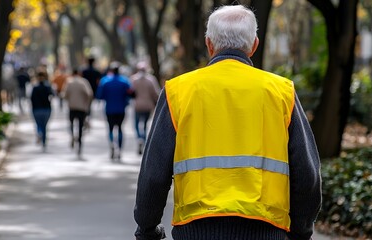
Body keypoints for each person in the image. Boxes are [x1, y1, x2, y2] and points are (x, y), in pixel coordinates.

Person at [134, 5, 321, 240]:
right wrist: (301, 231)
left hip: (196, 229)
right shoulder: (282, 93)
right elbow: (307, 175)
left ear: (209, 44)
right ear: (254, 45)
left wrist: (147, 228)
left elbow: (154, 173)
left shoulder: (178, 92)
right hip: (266, 228)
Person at [96, 61, 133, 161]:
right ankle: (120, 149)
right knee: (120, 128)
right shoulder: (125, 81)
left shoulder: (105, 81)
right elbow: (130, 93)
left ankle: (112, 142)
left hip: (109, 109)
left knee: (111, 128)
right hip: (121, 109)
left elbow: (100, 95)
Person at [130, 62, 160, 155]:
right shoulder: (151, 80)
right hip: (148, 105)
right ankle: (144, 139)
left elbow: (130, 91)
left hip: (137, 105)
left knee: (136, 124)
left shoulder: (133, 79)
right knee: (145, 124)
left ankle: (140, 138)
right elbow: (156, 93)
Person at [62, 69, 93, 156]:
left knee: (71, 123)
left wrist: (69, 99)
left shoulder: (69, 82)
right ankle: (79, 143)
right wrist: (86, 103)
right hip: (81, 108)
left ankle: (72, 135)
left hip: (72, 107)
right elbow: (89, 94)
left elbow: (64, 95)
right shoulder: (83, 82)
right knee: (80, 127)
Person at [30, 70, 54, 151]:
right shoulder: (48, 87)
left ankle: (39, 133)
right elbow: (52, 95)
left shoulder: (34, 87)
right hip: (46, 109)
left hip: (36, 109)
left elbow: (31, 99)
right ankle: (43, 141)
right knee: (44, 126)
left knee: (39, 124)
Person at [82, 57, 102, 126]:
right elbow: (99, 82)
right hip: (93, 91)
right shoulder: (96, 71)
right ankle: (87, 117)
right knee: (89, 105)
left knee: (84, 105)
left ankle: (85, 117)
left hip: (84, 90)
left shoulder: (83, 71)